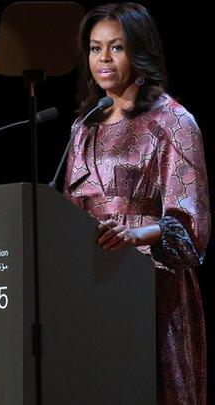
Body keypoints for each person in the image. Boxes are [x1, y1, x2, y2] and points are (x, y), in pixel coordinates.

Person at [63, 3, 211, 404]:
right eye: (95, 49)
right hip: (91, 295)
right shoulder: (83, 128)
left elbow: (189, 232)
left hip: (152, 295)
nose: (104, 60)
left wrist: (133, 235)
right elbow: (66, 215)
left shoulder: (174, 122)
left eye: (117, 47)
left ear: (141, 52)